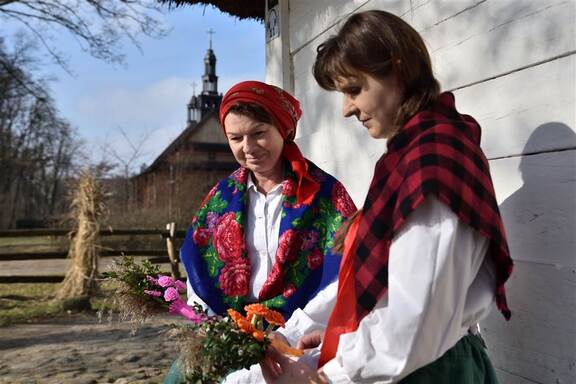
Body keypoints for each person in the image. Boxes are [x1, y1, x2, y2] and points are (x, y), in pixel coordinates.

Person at [261, 10, 514, 384]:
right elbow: (385, 280)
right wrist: (322, 333)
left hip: (429, 372)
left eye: (354, 89)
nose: (346, 109)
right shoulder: (407, 157)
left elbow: (416, 318)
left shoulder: (434, 161)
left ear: (396, 72)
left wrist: (334, 373)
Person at [163, 80, 356, 383]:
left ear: (283, 130)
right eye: (235, 138)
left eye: (259, 134)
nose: (248, 148)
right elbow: (200, 271)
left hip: (300, 336)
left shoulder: (325, 195)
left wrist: (289, 334)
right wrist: (215, 331)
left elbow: (343, 274)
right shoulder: (221, 198)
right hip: (232, 336)